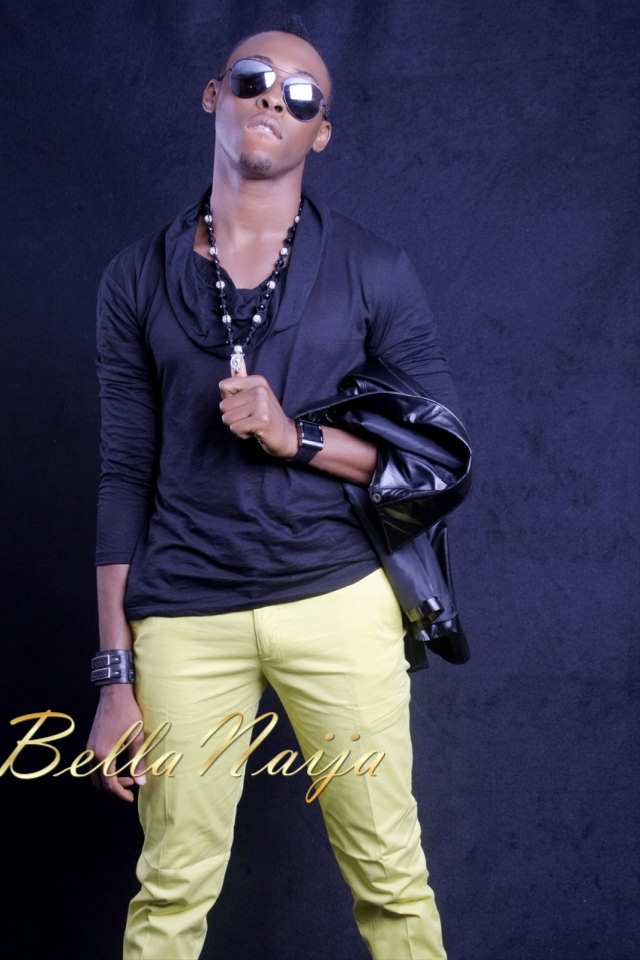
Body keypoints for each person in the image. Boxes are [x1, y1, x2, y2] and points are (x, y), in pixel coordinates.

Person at [87, 21, 466, 960]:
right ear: (214, 95)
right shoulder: (135, 277)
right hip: (185, 618)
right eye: (253, 77)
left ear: (320, 132)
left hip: (338, 603)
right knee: (171, 889)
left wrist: (296, 438)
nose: (273, 98)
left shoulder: (374, 268)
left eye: (301, 95)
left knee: (390, 876)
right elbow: (123, 475)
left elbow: (442, 455)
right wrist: (114, 676)